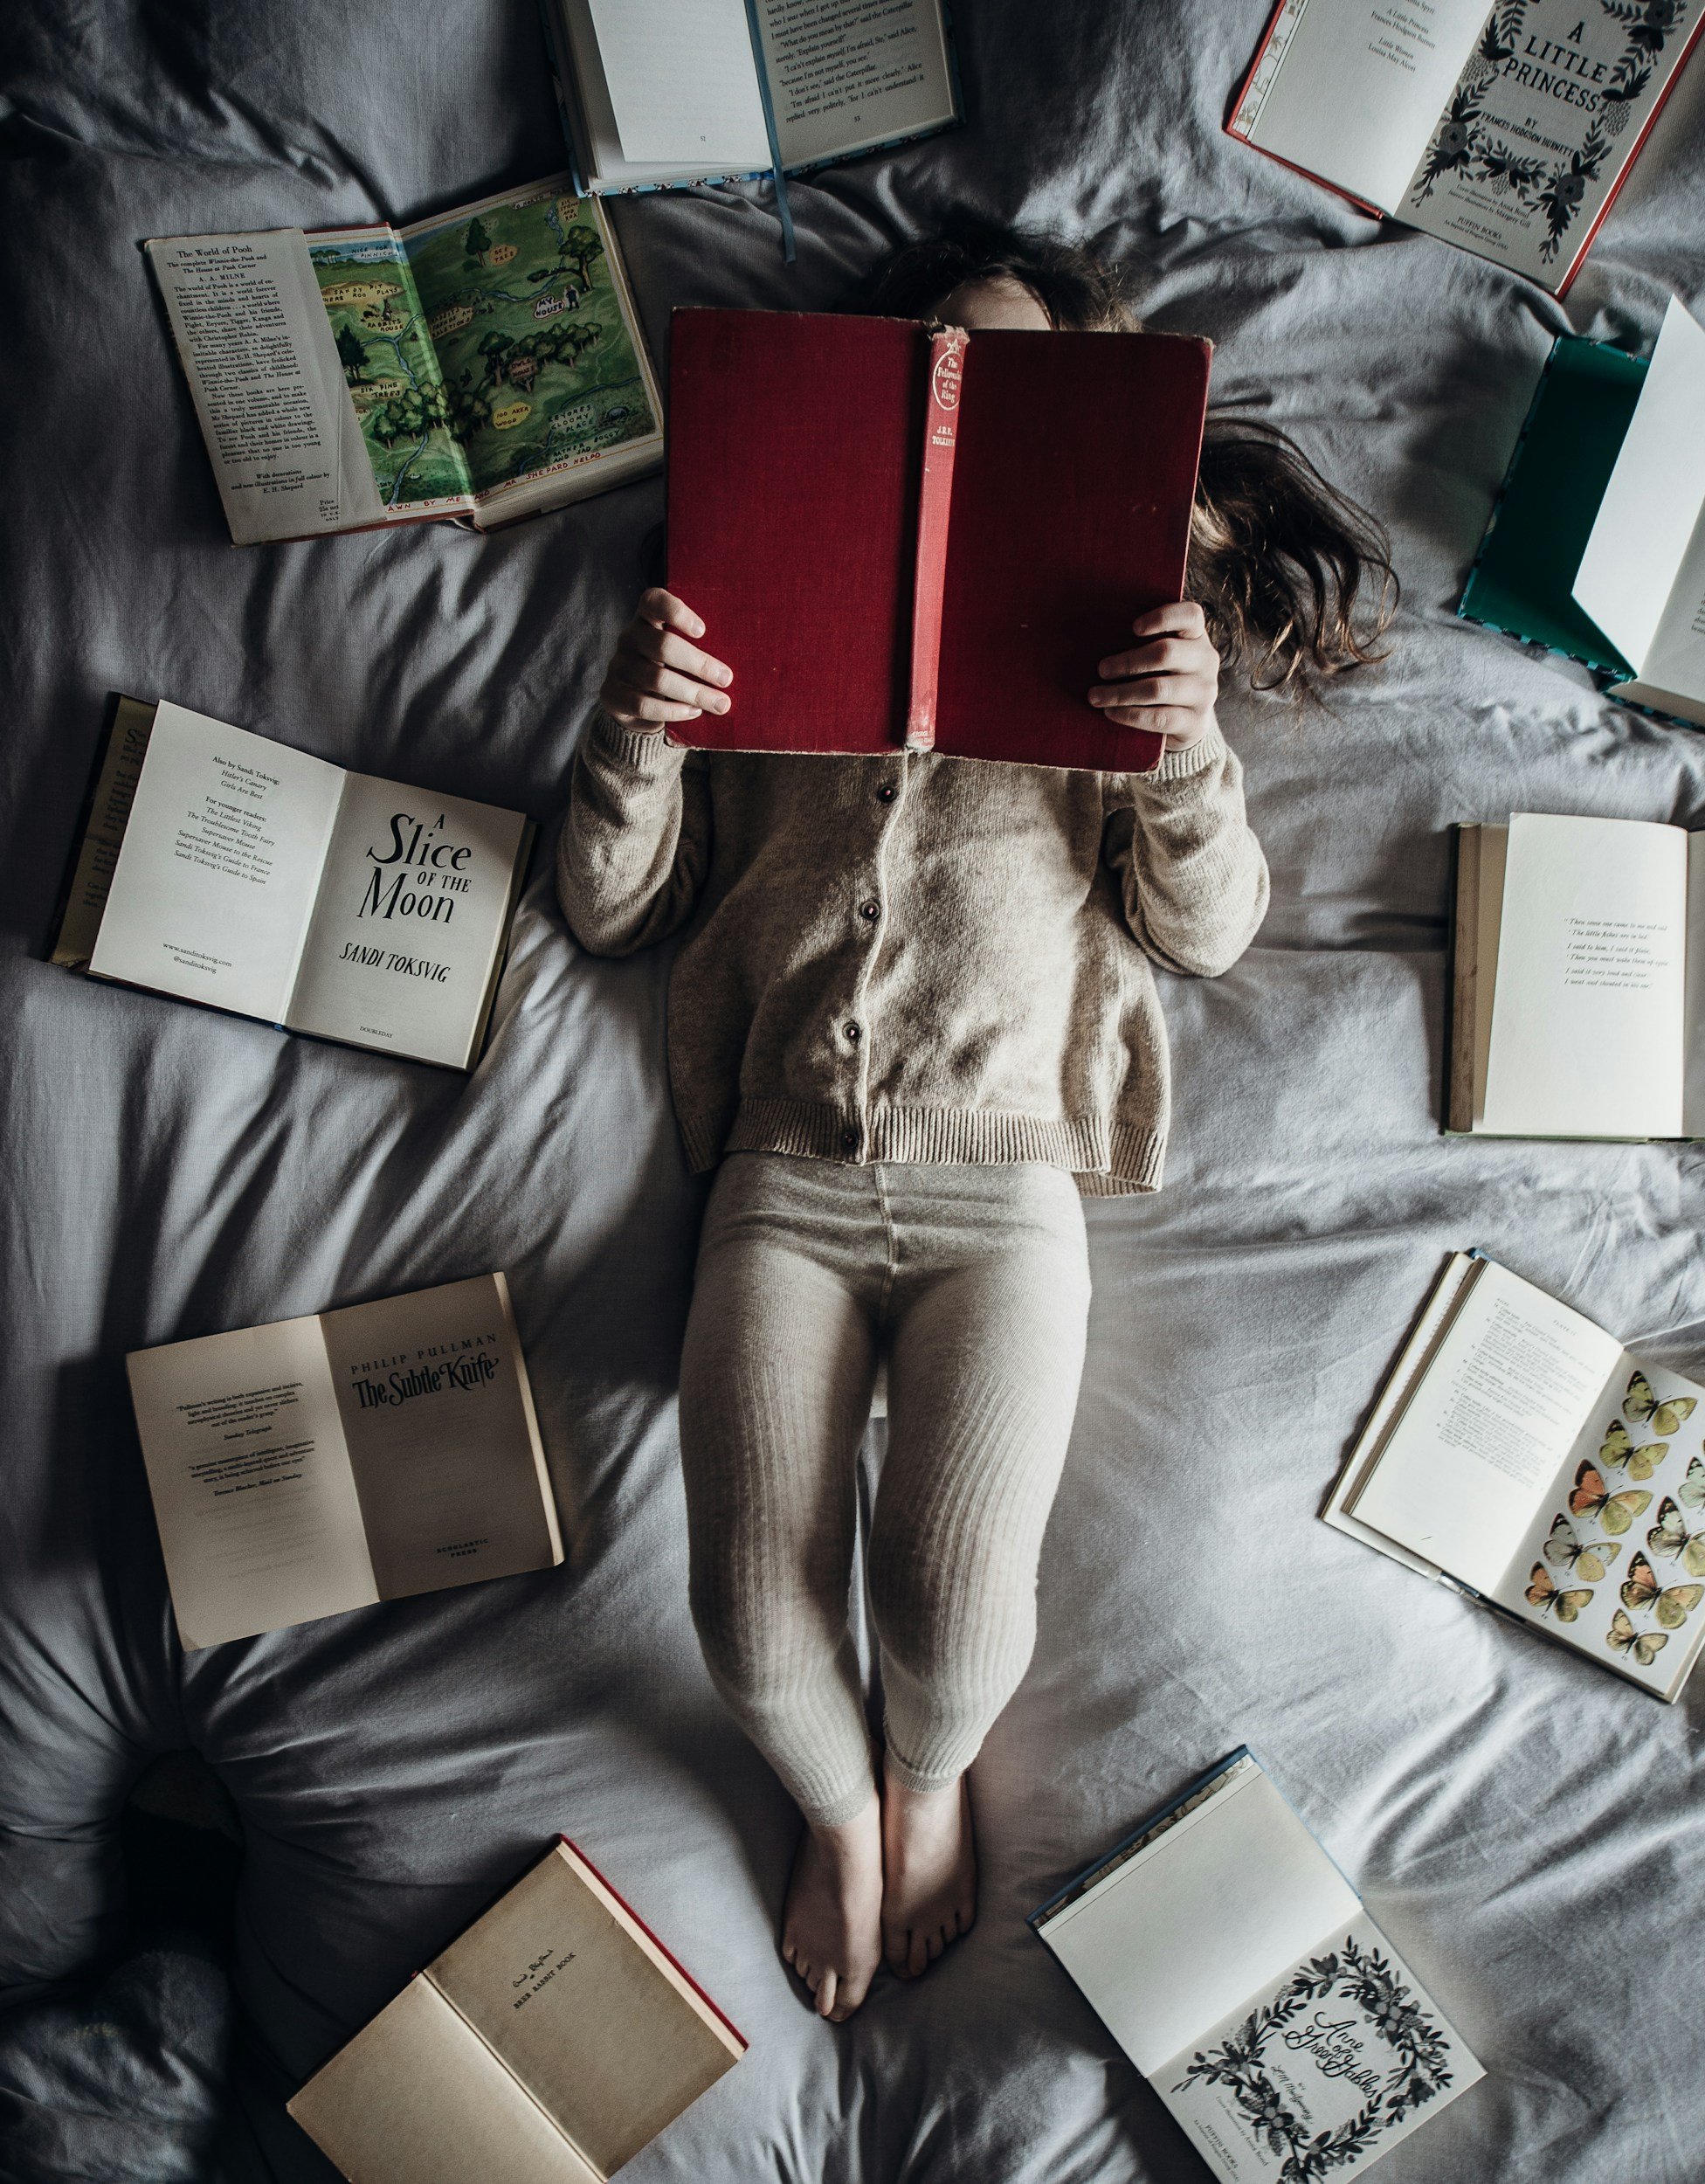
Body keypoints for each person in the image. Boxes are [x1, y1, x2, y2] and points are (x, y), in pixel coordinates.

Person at [557, 225, 1394, 2022]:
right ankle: (843, 1809)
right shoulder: (768, 617)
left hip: (1005, 1184)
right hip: (779, 1179)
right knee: (745, 1613)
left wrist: (1181, 744)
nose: (963, 391)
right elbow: (614, 905)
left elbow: (1209, 925)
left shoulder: (1113, 646)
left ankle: (927, 1779)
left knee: (943, 1605)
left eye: (1007, 376)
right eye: (933, 355)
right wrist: (636, 729)